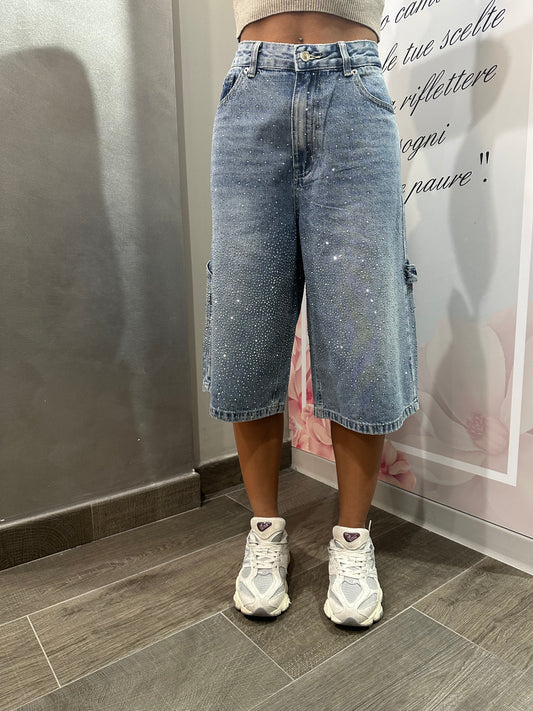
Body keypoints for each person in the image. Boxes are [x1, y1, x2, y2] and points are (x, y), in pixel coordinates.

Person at [202, 2, 419, 627]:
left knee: (362, 323)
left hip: (354, 95)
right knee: (247, 319)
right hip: (253, 93)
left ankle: (352, 539)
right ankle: (265, 531)